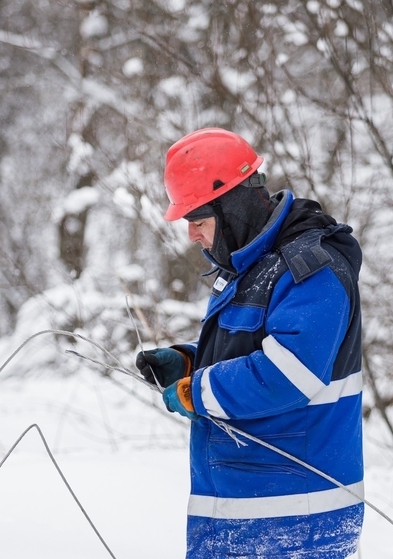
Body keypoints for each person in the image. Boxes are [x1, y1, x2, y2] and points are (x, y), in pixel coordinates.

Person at [135, 128, 364, 558]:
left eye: (198, 221)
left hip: (294, 522)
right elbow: (252, 347)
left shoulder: (311, 271)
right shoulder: (254, 266)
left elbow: (286, 375)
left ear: (233, 208)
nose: (192, 236)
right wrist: (189, 364)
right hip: (250, 511)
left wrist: (196, 391)